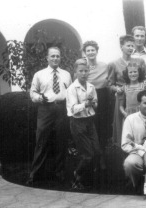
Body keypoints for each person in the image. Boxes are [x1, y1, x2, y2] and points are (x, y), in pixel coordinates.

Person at [27, 47, 72, 185]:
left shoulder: (66, 74)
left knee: (61, 142)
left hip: (61, 109)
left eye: (57, 56)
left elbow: (70, 92)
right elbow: (33, 92)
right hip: (45, 109)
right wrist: (38, 98)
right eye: (52, 56)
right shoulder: (39, 74)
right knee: (41, 141)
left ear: (60, 58)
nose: (55, 58)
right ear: (47, 58)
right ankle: (35, 175)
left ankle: (59, 174)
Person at [107, 35, 146, 146]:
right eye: (128, 45)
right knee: (123, 123)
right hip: (122, 95)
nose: (130, 48)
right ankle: (125, 148)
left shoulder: (140, 61)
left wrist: (145, 82)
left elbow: (145, 77)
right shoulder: (113, 64)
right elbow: (109, 84)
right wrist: (117, 88)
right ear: (122, 47)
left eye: (132, 45)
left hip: (137, 95)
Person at [66, 59, 101, 189]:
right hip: (77, 122)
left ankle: (87, 179)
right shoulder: (72, 89)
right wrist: (85, 104)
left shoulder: (91, 87)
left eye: (86, 71)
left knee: (96, 151)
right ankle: (76, 177)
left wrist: (93, 103)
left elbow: (95, 105)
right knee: (87, 155)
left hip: (89, 121)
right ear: (75, 72)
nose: (83, 73)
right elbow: (73, 109)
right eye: (80, 71)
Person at [81, 40, 109, 170]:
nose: (91, 52)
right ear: (85, 53)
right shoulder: (83, 67)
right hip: (89, 97)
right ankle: (93, 159)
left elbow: (110, 80)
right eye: (88, 50)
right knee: (91, 128)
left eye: (93, 50)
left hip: (103, 98)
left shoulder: (104, 66)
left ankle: (102, 157)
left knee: (102, 128)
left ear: (97, 51)